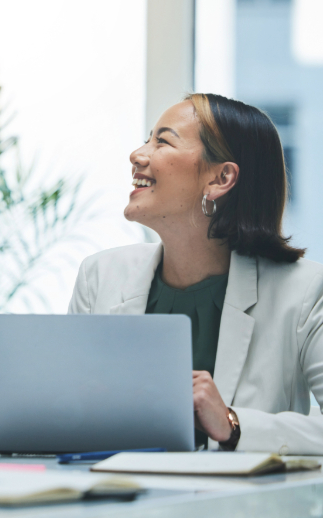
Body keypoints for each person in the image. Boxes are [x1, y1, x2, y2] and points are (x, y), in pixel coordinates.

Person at [69, 93, 323, 453]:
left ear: (221, 178)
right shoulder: (100, 276)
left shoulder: (306, 291)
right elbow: (68, 412)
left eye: (162, 141)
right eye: (147, 139)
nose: (137, 155)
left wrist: (232, 423)